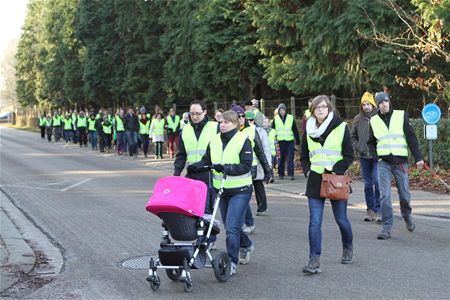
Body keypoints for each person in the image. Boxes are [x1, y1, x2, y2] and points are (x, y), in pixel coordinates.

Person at [189, 110, 254, 275]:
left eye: (227, 122)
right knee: (230, 225)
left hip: (240, 189)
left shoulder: (243, 140)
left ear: (235, 124)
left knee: (232, 227)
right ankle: (246, 244)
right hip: (221, 189)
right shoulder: (215, 140)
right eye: (221, 122)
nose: (222, 125)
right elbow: (207, 160)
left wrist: (226, 168)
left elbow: (246, 166)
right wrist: (196, 166)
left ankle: (231, 262)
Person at [300, 95, 354, 274]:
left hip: (335, 179)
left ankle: (347, 246)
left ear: (329, 109)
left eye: (324, 107)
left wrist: (336, 170)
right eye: (317, 107)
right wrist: (308, 171)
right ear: (313, 110)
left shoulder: (341, 127)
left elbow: (348, 155)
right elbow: (304, 155)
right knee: (314, 222)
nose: (321, 110)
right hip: (315, 180)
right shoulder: (308, 129)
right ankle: (314, 259)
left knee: (341, 220)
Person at [368, 92, 423, 240]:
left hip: (400, 162)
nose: (384, 104)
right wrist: (376, 157)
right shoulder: (373, 121)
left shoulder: (401, 115)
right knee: (384, 195)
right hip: (383, 163)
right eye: (380, 103)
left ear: (389, 102)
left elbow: (411, 137)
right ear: (377, 106)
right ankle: (386, 227)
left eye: (385, 101)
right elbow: (371, 142)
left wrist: (418, 158)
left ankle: (406, 215)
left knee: (404, 194)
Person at [174, 100, 218, 214]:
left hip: (209, 174)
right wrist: (176, 174)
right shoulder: (185, 130)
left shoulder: (215, 127)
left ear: (205, 112)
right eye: (192, 114)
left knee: (206, 210)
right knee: (191, 209)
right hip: (192, 174)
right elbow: (181, 155)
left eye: (198, 113)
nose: (194, 117)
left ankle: (208, 232)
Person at [350, 92, 381, 223]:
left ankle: (379, 210)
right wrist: (358, 146)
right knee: (368, 184)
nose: (366, 107)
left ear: (373, 104)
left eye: (368, 104)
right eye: (363, 104)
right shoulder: (358, 119)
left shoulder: (379, 117)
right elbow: (352, 136)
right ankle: (370, 210)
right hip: (364, 155)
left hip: (377, 155)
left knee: (377, 182)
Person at [244, 111, 272, 217]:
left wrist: (268, 164)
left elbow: (265, 148)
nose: (249, 122)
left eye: (251, 120)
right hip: (247, 164)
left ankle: (262, 206)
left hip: (259, 163)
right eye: (247, 120)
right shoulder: (242, 131)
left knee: (258, 184)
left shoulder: (260, 131)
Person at [272, 103, 300, 180]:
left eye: (283, 110)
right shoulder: (275, 119)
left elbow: (295, 130)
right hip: (280, 142)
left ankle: (291, 174)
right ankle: (281, 174)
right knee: (281, 158)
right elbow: (272, 131)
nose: (282, 111)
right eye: (280, 110)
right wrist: (272, 141)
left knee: (290, 158)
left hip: (289, 141)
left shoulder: (290, 118)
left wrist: (297, 142)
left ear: (285, 110)